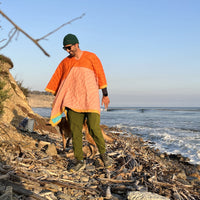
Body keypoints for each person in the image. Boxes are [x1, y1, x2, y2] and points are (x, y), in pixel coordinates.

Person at [45, 33, 112, 172]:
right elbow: (58, 79)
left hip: (90, 99)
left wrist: (105, 95)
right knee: (75, 132)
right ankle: (79, 161)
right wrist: (59, 98)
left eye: (69, 47)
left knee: (93, 127)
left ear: (76, 44)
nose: (68, 51)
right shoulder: (65, 62)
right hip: (73, 101)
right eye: (65, 49)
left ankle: (105, 156)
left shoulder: (91, 57)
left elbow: (101, 75)